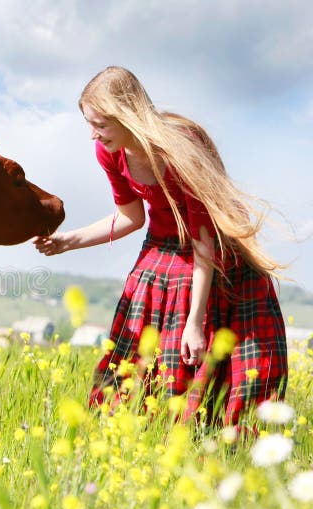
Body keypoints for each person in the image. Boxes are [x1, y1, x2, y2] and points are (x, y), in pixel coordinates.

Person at [35, 66, 287, 426]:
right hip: (162, 245)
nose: (92, 134)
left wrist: (195, 323)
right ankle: (132, 430)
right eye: (88, 124)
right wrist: (66, 241)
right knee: (138, 326)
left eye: (101, 124)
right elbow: (130, 217)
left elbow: (204, 240)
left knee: (216, 357)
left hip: (214, 250)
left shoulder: (182, 146)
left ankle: (211, 436)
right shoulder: (110, 152)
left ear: (127, 115)